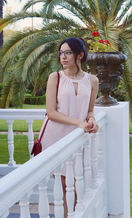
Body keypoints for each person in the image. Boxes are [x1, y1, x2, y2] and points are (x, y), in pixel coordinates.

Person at [39, 37, 99, 214]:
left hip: (76, 137)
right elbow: (51, 112)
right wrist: (79, 123)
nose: (63, 57)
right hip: (55, 136)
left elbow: (90, 110)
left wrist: (91, 120)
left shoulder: (92, 81)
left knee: (72, 183)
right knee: (65, 183)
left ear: (80, 55)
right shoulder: (55, 77)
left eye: (68, 53)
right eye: (61, 53)